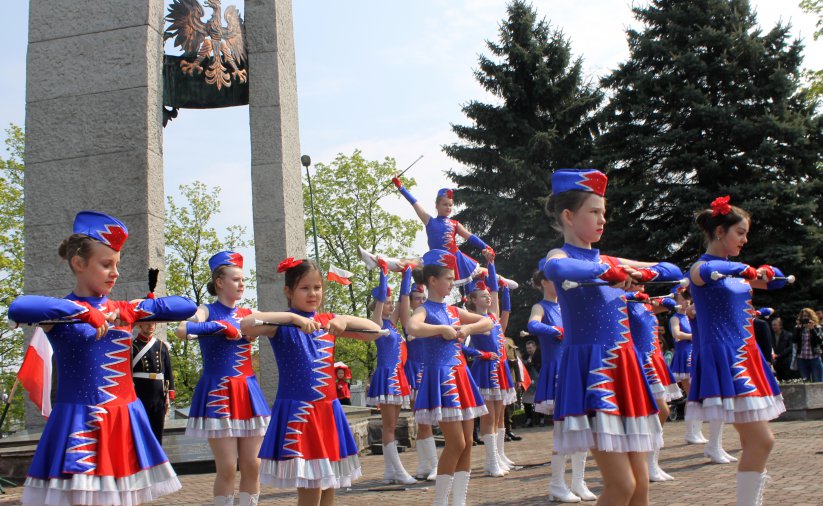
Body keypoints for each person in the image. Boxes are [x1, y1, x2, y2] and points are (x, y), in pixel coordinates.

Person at [8, 210, 197, 505]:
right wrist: (84, 312)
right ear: (79, 263)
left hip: (123, 420)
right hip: (78, 421)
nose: (115, 272)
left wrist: (130, 311)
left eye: (117, 265)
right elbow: (19, 307)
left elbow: (186, 306)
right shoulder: (60, 311)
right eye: (106, 264)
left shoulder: (122, 309)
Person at [542, 169, 684, 506]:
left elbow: (673, 270)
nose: (602, 219)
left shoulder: (608, 259)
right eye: (593, 212)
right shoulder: (559, 256)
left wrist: (636, 273)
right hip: (594, 374)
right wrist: (613, 272)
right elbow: (559, 270)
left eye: (603, 212)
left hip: (627, 370)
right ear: (568, 216)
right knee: (621, 486)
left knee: (640, 487)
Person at [241, 258, 382, 506]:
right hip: (300, 415)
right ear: (288, 291)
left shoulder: (327, 321)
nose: (312, 293)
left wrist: (344, 320)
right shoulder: (280, 324)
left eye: (317, 287)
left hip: (328, 413)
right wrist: (294, 319)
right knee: (311, 486)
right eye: (304, 288)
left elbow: (374, 330)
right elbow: (246, 324)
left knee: (329, 485)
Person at [687, 195, 790, 505]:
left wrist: (769, 272)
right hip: (726, 359)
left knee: (756, 442)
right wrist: (748, 270)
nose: (745, 239)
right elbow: (702, 274)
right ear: (720, 233)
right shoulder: (703, 268)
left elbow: (776, 283)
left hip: (747, 357)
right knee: (761, 440)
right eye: (740, 233)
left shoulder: (733, 270)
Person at [176, 251, 271, 506]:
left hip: (248, 393)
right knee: (228, 467)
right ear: (220, 282)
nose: (242, 284)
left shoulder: (249, 313)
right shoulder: (207, 310)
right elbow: (182, 329)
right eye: (236, 279)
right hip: (219, 394)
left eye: (243, 280)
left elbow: (275, 325)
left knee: (253, 464)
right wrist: (219, 327)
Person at [406, 249, 493, 506]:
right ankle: (441, 501)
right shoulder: (426, 309)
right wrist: (442, 329)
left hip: (461, 375)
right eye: (448, 278)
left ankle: (459, 501)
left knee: (467, 443)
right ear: (433, 281)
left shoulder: (454, 311)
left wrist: (467, 327)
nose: (452, 283)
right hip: (441, 377)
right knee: (455, 442)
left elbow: (488, 322)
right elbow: (412, 326)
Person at [528, 259, 595, 502]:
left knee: (583, 426)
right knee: (563, 429)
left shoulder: (567, 305)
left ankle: (579, 481)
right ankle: (557, 483)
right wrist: (554, 331)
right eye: (553, 280)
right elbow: (532, 324)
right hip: (557, 371)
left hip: (576, 368)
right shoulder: (541, 306)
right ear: (544, 282)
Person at [464, 259, 517, 478]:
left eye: (488, 294)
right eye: (482, 295)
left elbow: (496, 292)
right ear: (473, 300)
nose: (487, 296)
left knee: (498, 416)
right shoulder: (473, 319)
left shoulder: (493, 317)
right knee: (488, 417)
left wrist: (491, 263)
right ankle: (490, 461)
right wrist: (480, 354)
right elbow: (459, 345)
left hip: (499, 369)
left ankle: (498, 456)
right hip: (484, 370)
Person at [624, 289, 683, 483]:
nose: (641, 287)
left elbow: (670, 303)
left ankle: (651, 463)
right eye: (636, 283)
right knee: (660, 410)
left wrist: (660, 297)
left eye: (643, 283)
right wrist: (631, 297)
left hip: (654, 358)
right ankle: (645, 463)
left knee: (659, 412)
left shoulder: (648, 303)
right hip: (639, 361)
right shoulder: (626, 304)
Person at [365, 262, 416, 484]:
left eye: (389, 302)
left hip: (397, 376)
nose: (390, 305)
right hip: (386, 376)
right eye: (386, 302)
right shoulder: (375, 324)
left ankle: (390, 472)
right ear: (377, 305)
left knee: (393, 426)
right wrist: (383, 273)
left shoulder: (393, 324)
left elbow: (404, 299)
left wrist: (407, 273)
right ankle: (397, 470)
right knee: (388, 426)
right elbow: (379, 309)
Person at [392, 178, 493, 285]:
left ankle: (503, 281)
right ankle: (380, 261)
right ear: (437, 205)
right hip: (435, 259)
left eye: (450, 205)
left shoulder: (455, 224)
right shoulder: (429, 221)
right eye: (445, 204)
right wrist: (401, 188)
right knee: (409, 263)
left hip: (454, 259)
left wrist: (486, 247)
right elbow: (415, 203)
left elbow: (470, 237)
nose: (448, 207)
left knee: (483, 272)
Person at [398, 272, 440, 481]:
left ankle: (433, 465)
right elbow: (402, 300)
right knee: (421, 421)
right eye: (417, 298)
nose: (422, 301)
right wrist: (406, 273)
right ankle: (428, 464)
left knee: (430, 421)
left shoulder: (433, 317)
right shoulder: (409, 320)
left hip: (432, 371)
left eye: (424, 298)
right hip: (415, 373)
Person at [668, 287, 708, 445]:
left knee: (697, 395)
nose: (685, 302)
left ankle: (696, 430)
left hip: (695, 352)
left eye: (687, 299)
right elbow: (676, 334)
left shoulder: (693, 315)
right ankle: (691, 431)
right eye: (682, 299)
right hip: (685, 356)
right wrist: (694, 336)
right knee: (692, 394)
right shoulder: (675, 318)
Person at [132, 321, 174, 444]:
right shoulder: (133, 346)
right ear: (140, 326)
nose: (150, 326)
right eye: (147, 323)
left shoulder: (161, 345)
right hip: (140, 390)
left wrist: (170, 390)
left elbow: (168, 370)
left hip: (158, 391)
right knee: (141, 426)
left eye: (153, 324)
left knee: (158, 426)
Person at [792, 308, 823, 382]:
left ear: (811, 317)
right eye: (804, 316)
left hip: (814, 357)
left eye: (807, 316)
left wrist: (812, 329)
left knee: (817, 381)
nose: (805, 318)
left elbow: (820, 341)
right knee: (806, 382)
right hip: (802, 358)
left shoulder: (817, 327)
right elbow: (794, 341)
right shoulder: (798, 328)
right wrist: (798, 329)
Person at [521, 339, 542, 427]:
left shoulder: (540, 356)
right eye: (527, 348)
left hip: (538, 380)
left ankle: (541, 419)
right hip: (527, 381)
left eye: (530, 348)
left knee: (539, 401)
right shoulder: (524, 356)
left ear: (535, 347)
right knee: (526, 402)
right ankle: (529, 420)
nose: (529, 350)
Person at [771, 316, 798, 381]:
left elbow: (790, 348)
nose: (773, 327)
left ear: (780, 326)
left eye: (775, 325)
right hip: (775, 361)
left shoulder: (788, 335)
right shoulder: (770, 335)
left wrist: (779, 355)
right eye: (772, 325)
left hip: (785, 361)